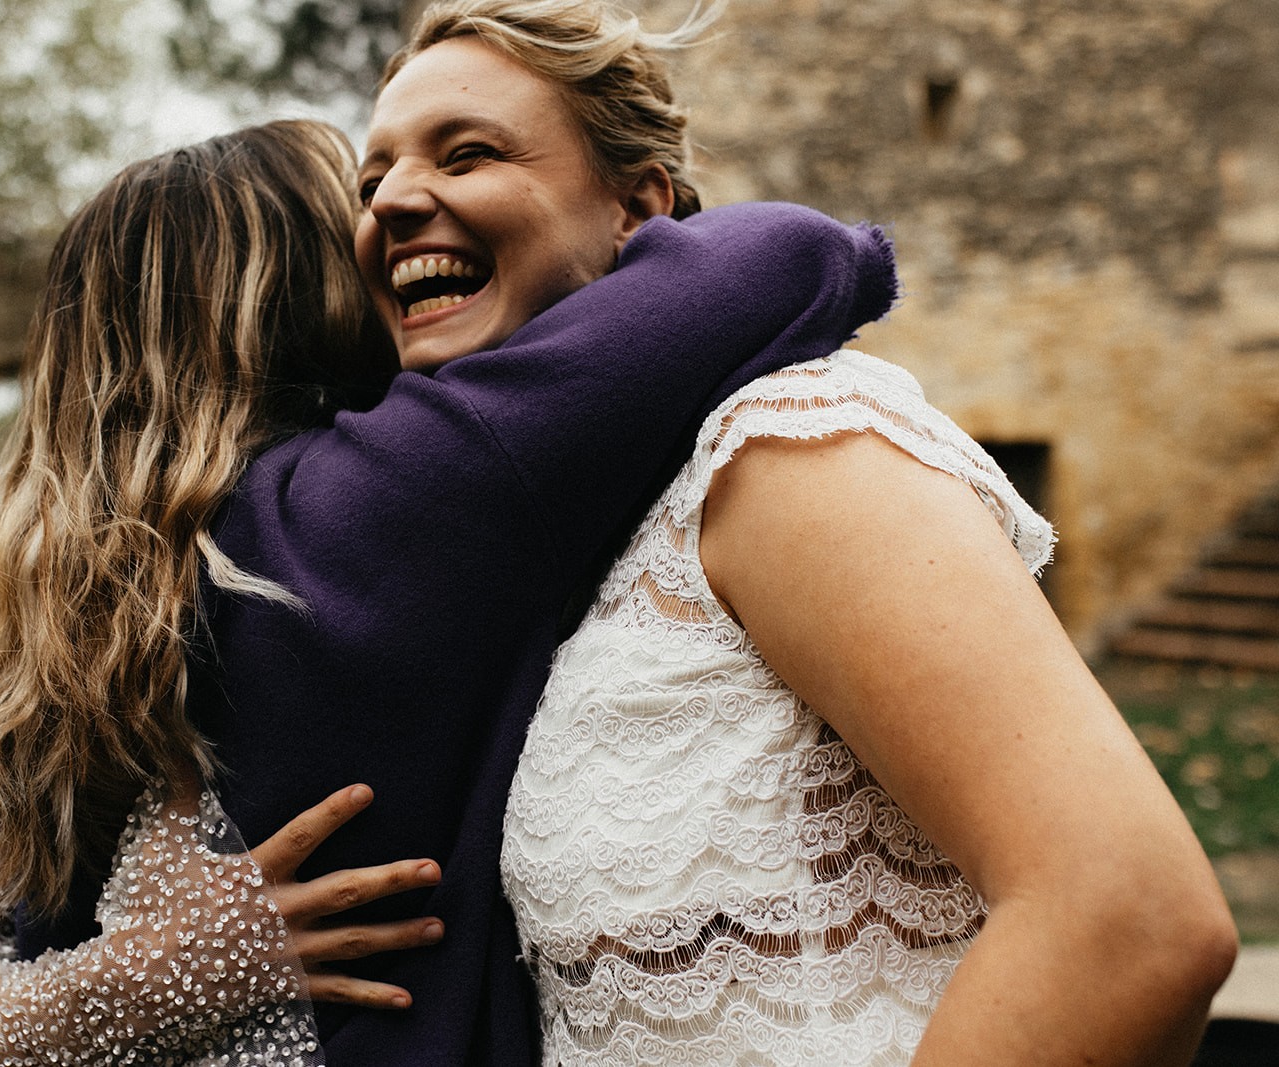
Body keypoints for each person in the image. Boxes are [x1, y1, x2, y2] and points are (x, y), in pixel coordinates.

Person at [0, 92, 897, 1067]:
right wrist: (189, 963)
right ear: (312, 298)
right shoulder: (380, 504)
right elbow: (790, 253)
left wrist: (143, 971)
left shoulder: (29, 623)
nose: (392, 225)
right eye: (366, 208)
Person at [345, 2, 1235, 1065]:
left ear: (639, 205)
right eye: (370, 179)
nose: (393, 200)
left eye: (468, 152)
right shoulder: (572, 524)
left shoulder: (780, 447)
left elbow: (1127, 919)